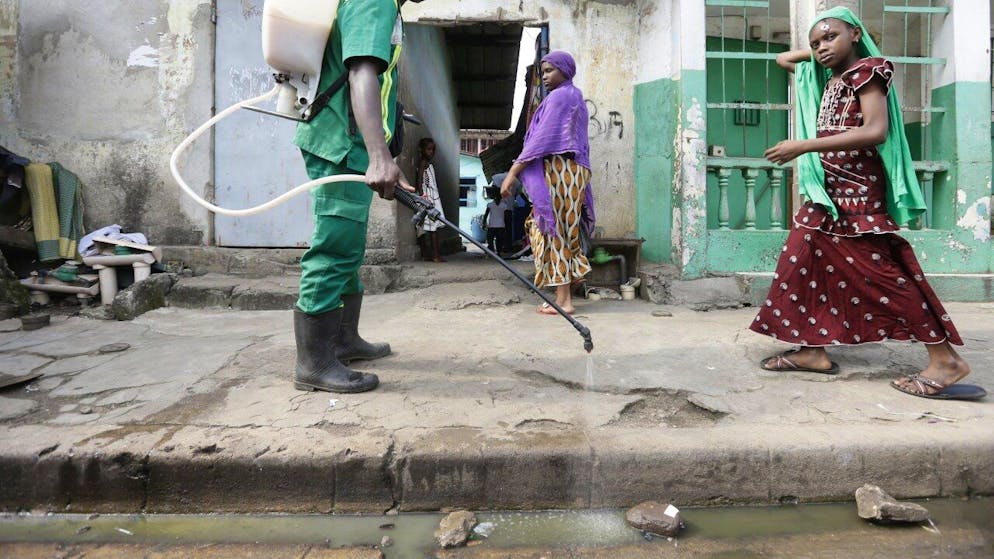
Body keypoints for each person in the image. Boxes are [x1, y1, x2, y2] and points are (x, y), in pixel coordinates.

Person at [751, 7, 983, 401]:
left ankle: (945, 360)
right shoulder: (831, 75)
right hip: (829, 195)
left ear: (856, 34)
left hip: (856, 195)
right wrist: (822, 53)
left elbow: (875, 131)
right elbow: (783, 58)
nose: (822, 47)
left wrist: (803, 145)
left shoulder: (867, 72)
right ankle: (811, 350)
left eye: (831, 37)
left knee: (883, 277)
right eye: (816, 42)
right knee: (800, 261)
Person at [290, 0, 423, 394]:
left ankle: (343, 340)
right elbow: (361, 72)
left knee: (350, 246)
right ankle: (313, 362)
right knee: (336, 245)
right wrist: (380, 156)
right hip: (340, 143)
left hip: (348, 144)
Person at [500, 51, 595, 316]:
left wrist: (512, 173)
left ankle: (564, 301)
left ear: (565, 69)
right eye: (543, 73)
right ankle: (565, 288)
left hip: (560, 171)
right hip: (573, 173)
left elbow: (540, 140)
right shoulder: (575, 98)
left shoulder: (562, 96)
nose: (545, 77)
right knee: (556, 229)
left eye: (550, 71)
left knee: (553, 231)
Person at [416, 137, 446, 262]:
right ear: (422, 150)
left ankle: (426, 254)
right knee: (433, 226)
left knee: (425, 226)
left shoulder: (427, 163)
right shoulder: (423, 162)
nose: (431, 152)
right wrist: (423, 196)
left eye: (433, 149)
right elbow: (419, 180)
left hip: (430, 196)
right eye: (428, 149)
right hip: (428, 197)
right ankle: (435, 256)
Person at [483, 188, 509, 254]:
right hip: (501, 225)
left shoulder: (490, 205)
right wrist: (507, 225)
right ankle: (498, 252)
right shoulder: (504, 205)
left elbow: (486, 215)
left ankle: (491, 250)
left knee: (490, 239)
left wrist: (484, 223)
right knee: (499, 240)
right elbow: (506, 217)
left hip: (492, 225)